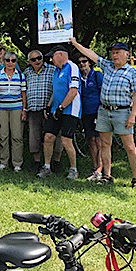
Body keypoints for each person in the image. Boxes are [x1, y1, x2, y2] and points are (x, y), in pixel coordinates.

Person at [70, 38, 136, 189]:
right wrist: (76, 44)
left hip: (122, 112)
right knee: (105, 144)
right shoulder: (108, 66)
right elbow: (91, 54)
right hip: (103, 111)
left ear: (127, 55)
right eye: (113, 53)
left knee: (129, 146)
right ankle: (107, 176)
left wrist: (133, 115)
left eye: (118, 52)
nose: (114, 55)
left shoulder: (133, 72)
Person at [37, 45, 80, 180]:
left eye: (52, 56)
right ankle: (47, 167)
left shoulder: (72, 67)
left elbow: (73, 91)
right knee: (48, 137)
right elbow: (55, 91)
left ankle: (74, 169)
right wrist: (49, 107)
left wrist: (61, 108)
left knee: (67, 140)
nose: (51, 59)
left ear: (60, 54)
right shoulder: (56, 70)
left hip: (70, 109)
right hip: (56, 109)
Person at [23, 50, 62, 172]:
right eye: (33, 59)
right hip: (33, 109)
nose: (37, 61)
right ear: (29, 62)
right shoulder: (26, 72)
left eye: (39, 58)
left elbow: (58, 87)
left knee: (55, 136)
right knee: (34, 137)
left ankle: (56, 162)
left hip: (50, 109)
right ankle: (37, 162)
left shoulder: (52, 69)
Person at [0, 51, 27, 172]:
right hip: (1, 108)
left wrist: (24, 110)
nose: (10, 63)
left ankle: (17, 163)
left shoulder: (21, 75)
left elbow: (24, 94)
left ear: (16, 62)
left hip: (17, 108)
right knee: (3, 135)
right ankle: (3, 161)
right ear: (3, 62)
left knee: (17, 136)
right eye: (8, 60)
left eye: (13, 60)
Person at [78, 55, 104, 181]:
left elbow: (103, 92)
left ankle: (100, 168)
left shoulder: (97, 75)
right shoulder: (79, 77)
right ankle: (94, 167)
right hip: (85, 112)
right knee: (90, 139)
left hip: (98, 111)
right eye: (80, 62)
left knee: (99, 140)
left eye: (84, 61)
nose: (82, 64)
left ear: (90, 63)